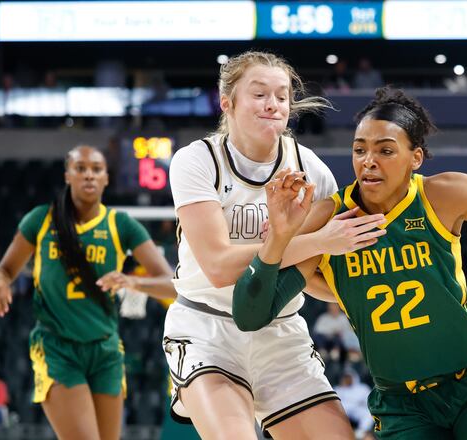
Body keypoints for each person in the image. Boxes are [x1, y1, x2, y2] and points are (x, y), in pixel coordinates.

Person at [234, 86, 467, 438]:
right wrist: (286, 239)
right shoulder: (330, 219)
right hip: (401, 404)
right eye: (359, 149)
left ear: (416, 158)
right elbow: (250, 314)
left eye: (385, 150)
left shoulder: (444, 195)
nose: (368, 162)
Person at [163, 50, 386, 439]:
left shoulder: (312, 169)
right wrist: (315, 241)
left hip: (281, 333)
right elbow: (217, 266)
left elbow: (311, 276)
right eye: (260, 93)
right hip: (208, 330)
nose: (273, 104)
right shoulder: (197, 160)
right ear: (227, 102)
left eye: (282, 96)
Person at [0, 145, 176, 440]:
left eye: (96, 169)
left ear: (107, 178)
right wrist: (1, 280)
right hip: (57, 348)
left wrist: (134, 283)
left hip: (105, 350)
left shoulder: (121, 225)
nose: (89, 175)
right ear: (68, 175)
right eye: (81, 168)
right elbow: (5, 269)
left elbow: (170, 283)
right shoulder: (41, 220)